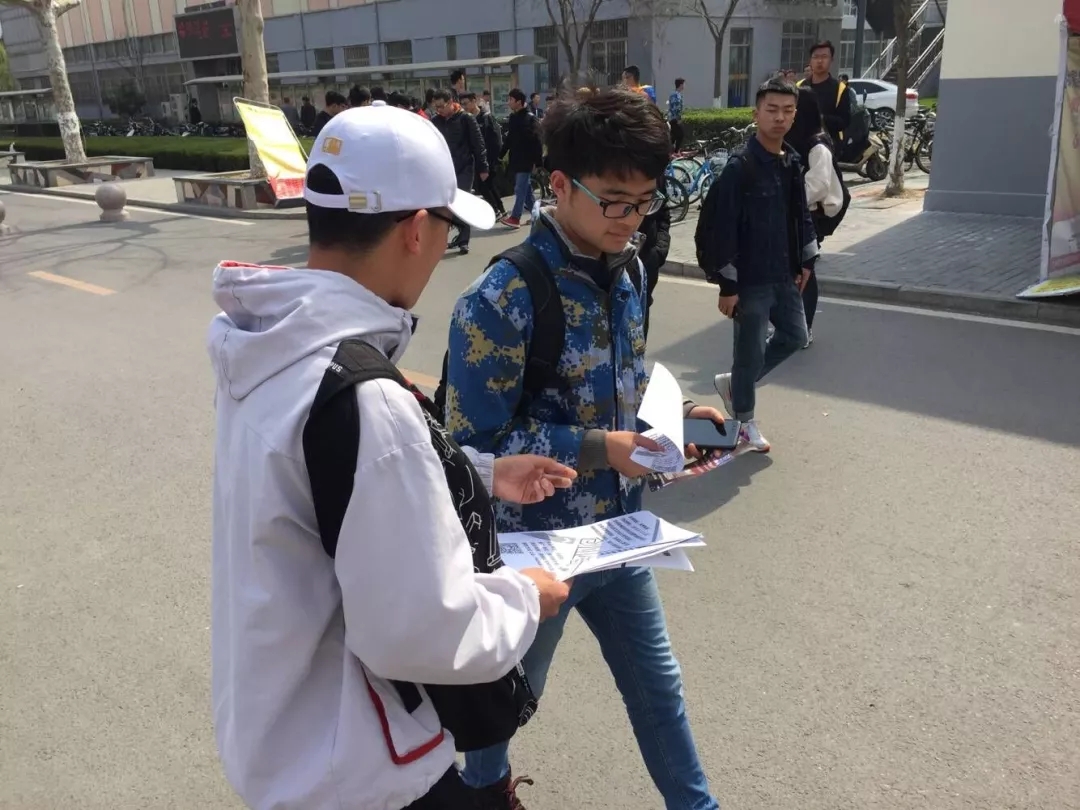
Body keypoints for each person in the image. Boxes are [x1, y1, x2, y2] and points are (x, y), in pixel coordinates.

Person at [208, 104, 575, 810]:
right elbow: (420, 628)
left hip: (281, 738)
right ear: (415, 229)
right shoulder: (364, 396)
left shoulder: (266, 344)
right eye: (447, 230)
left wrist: (479, 472)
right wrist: (528, 598)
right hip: (361, 772)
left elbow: (328, 481)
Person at [446, 86, 723, 810]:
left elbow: (624, 377)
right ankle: (481, 794)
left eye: (646, 203)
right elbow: (473, 446)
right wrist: (604, 448)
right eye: (615, 202)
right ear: (561, 184)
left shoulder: (627, 270)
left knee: (660, 692)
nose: (631, 222)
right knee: (506, 702)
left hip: (620, 537)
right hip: (534, 551)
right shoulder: (502, 297)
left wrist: (677, 418)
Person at [696, 78, 818, 452]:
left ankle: (736, 384)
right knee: (748, 354)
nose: (780, 117)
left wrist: (807, 259)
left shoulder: (791, 162)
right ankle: (744, 423)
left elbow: (800, 214)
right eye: (772, 110)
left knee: (796, 336)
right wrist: (727, 285)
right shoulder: (740, 168)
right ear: (756, 114)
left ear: (794, 115)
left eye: (787, 110)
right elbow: (719, 228)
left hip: (784, 272)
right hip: (749, 280)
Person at [785, 88, 848, 347]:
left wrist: (787, 199)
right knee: (793, 272)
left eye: (792, 108)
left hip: (809, 216)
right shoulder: (797, 139)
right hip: (796, 214)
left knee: (805, 273)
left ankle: (804, 328)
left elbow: (818, 185)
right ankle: (791, 326)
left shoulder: (817, 145)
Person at [431, 88, 489, 255]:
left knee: (461, 202)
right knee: (445, 205)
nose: (438, 110)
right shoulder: (435, 121)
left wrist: (483, 167)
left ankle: (464, 240)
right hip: (444, 169)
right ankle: (445, 238)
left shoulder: (466, 119)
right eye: (436, 107)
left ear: (450, 102)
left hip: (464, 167)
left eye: (441, 106)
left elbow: (478, 144)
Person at [499, 89, 542, 229]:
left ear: (519, 102)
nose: (509, 102)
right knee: (526, 191)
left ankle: (515, 217)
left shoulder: (530, 118)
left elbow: (537, 141)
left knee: (519, 188)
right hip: (516, 158)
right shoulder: (513, 118)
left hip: (527, 159)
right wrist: (501, 154)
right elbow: (509, 139)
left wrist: (538, 162)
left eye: (511, 100)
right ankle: (538, 216)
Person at [462, 91, 506, 219]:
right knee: (487, 185)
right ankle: (500, 210)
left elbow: (496, 140)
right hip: (476, 159)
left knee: (485, 185)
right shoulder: (466, 119)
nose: (464, 106)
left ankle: (496, 210)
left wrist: (494, 159)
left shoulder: (486, 117)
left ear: (474, 101)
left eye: (466, 103)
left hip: (488, 158)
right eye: (462, 104)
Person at [797, 41, 851, 144]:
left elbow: (844, 121)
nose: (820, 61)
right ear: (810, 60)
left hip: (829, 144)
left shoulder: (840, 88)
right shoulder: (800, 86)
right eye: (816, 57)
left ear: (831, 60)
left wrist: (820, 118)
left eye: (824, 57)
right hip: (801, 144)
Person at [639, 194, 671, 340]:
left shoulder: (656, 182)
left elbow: (663, 213)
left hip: (645, 264)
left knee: (637, 342)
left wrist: (659, 250)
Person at [667, 78, 685, 152]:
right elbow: (676, 108)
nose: (684, 86)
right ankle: (675, 151)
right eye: (683, 84)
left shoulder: (675, 94)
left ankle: (669, 150)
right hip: (675, 119)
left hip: (672, 118)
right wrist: (678, 119)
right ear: (680, 85)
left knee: (674, 135)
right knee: (680, 134)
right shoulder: (676, 95)